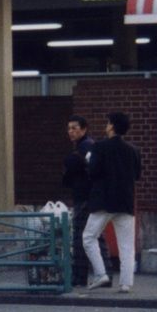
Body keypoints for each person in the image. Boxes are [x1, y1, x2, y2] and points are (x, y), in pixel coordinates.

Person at [81, 110, 143, 292]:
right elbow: (137, 175)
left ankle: (101, 274)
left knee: (88, 237)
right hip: (125, 200)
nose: (106, 126)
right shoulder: (134, 150)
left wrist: (88, 161)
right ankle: (126, 283)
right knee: (127, 245)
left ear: (112, 126)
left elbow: (92, 171)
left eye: (108, 123)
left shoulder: (99, 147)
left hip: (103, 200)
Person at [61, 115, 95, 287]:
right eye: (69, 128)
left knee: (80, 237)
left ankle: (79, 276)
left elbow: (72, 164)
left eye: (74, 128)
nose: (71, 132)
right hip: (87, 196)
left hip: (84, 197)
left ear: (84, 129)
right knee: (95, 238)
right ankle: (104, 273)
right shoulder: (84, 146)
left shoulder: (85, 146)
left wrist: (70, 162)